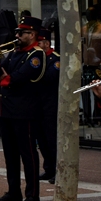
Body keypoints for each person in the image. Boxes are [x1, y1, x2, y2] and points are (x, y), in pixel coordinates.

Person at [0, 16, 46, 201]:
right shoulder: (14, 54)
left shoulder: (36, 55)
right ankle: (14, 190)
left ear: (32, 34)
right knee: (10, 155)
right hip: (8, 112)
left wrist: (7, 78)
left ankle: (33, 194)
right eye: (17, 32)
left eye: (21, 33)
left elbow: (15, 79)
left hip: (25, 113)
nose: (17, 35)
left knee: (28, 155)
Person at [33, 29, 60, 183]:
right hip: (38, 105)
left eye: (40, 43)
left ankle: (58, 170)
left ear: (47, 44)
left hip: (51, 104)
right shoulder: (37, 58)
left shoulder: (55, 59)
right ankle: (49, 169)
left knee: (52, 140)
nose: (37, 45)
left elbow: (49, 77)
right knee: (42, 141)